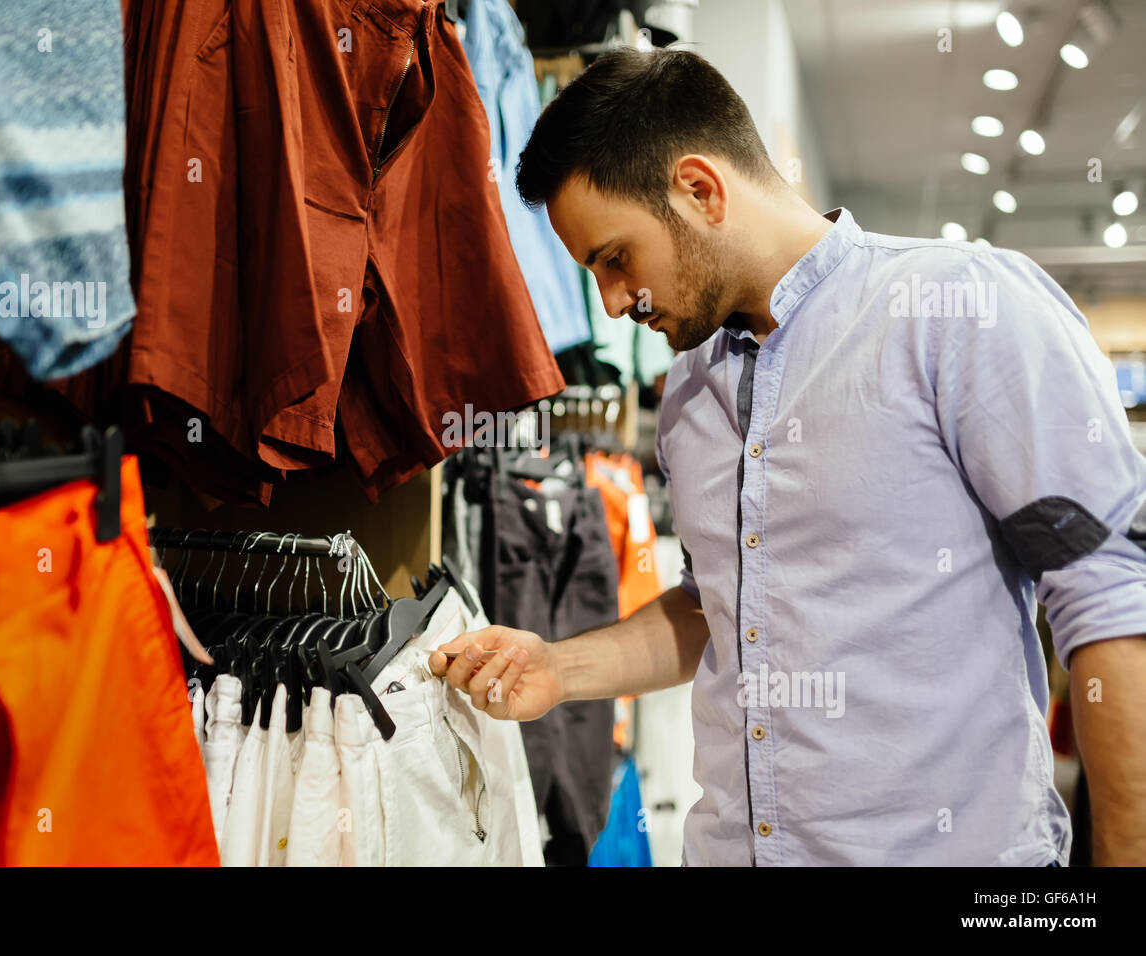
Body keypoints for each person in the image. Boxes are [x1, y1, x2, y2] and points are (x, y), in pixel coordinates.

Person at [429, 47, 1146, 866]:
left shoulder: (959, 312)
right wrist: (560, 665)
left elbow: (1113, 602)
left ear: (700, 190)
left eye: (615, 258)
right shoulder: (690, 392)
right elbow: (719, 609)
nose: (614, 303)